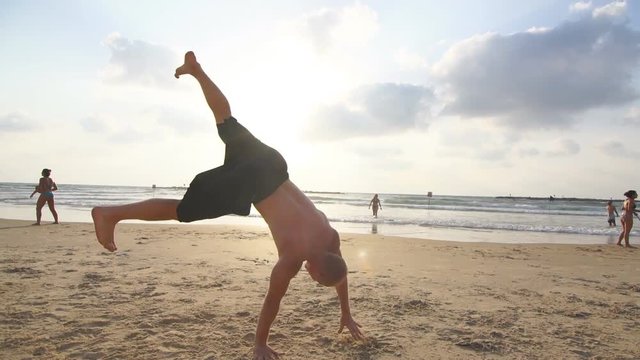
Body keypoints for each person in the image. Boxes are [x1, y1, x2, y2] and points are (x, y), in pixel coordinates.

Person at [91, 51, 364, 359]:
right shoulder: (292, 258)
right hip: (251, 183)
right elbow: (273, 301)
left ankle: (196, 70)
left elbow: (339, 273)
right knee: (180, 211)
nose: (309, 276)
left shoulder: (330, 237)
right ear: (313, 270)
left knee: (226, 120)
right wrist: (260, 344)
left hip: (273, 164)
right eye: (313, 278)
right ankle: (110, 214)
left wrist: (345, 313)